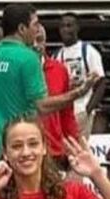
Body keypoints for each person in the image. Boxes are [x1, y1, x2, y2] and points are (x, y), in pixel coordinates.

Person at [0, 4, 95, 180]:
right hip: (19, 152)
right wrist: (78, 92)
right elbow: (42, 106)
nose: (37, 29)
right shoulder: (28, 58)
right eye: (35, 24)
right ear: (22, 28)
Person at [55, 13, 106, 137]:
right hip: (64, 113)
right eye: (62, 26)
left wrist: (88, 110)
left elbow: (101, 83)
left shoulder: (88, 51)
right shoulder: (57, 55)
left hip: (82, 109)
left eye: (69, 25)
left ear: (77, 27)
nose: (65, 29)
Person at [35, 25, 81, 163]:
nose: (36, 46)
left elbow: (67, 113)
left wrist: (74, 145)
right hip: (28, 150)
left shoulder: (59, 70)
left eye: (40, 40)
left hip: (55, 150)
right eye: (32, 41)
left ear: (45, 42)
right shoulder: (16, 71)